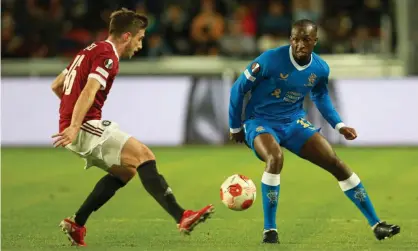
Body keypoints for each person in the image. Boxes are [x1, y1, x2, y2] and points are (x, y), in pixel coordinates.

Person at [51, 8, 214, 247]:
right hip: (84, 126)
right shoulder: (108, 55)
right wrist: (75, 125)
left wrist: (68, 115)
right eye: (139, 39)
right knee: (144, 156)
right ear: (127, 36)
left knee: (125, 171)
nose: (140, 45)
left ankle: (77, 223)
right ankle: (182, 216)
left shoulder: (90, 50)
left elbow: (58, 86)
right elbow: (89, 90)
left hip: (79, 125)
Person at [228, 19, 400, 244]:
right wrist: (235, 126)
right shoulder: (270, 59)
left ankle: (377, 224)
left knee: (335, 163)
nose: (299, 44)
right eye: (295, 39)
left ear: (315, 41)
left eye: (305, 40)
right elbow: (238, 88)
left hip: (293, 122)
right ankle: (270, 230)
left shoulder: (319, 68)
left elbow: (320, 96)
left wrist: (339, 125)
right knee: (275, 158)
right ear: (291, 39)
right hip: (260, 122)